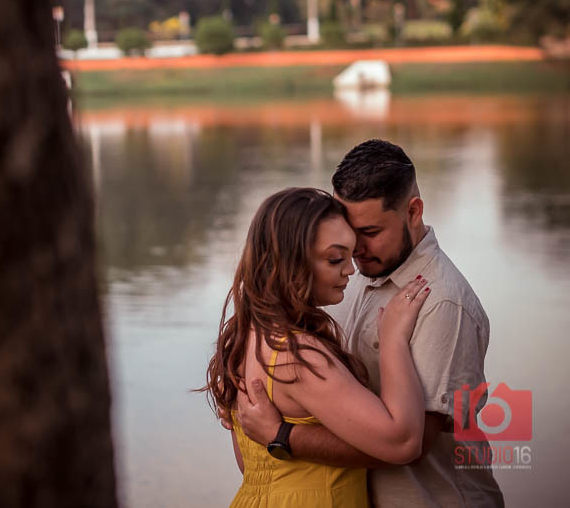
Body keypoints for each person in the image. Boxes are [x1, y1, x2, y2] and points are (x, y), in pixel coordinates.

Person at [229, 140, 504, 507]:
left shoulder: (441, 302)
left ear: (413, 211)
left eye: (370, 233)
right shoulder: (348, 278)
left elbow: (410, 445)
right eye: (347, 236)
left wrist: (281, 436)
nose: (355, 253)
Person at [203, 186, 432, 507]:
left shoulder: (244, 336)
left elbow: (252, 464)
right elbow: (403, 442)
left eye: (350, 255)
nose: (350, 269)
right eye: (335, 258)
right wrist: (393, 340)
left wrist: (281, 436)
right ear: (290, 261)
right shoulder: (297, 355)